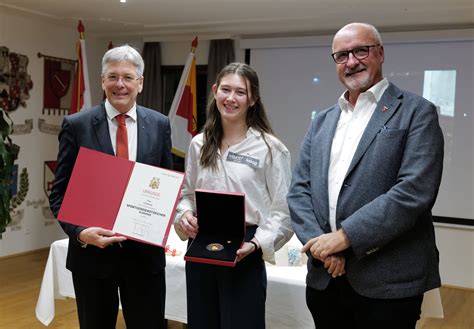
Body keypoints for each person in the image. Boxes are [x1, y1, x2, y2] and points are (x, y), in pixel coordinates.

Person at [287, 23, 444, 329]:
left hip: (387, 284)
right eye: (342, 55)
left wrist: (343, 239)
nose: (351, 61)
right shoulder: (322, 122)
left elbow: (413, 192)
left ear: (380, 53)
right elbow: (299, 192)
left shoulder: (416, 112)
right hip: (325, 280)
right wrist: (322, 248)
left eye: (361, 50)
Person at [49, 45, 173, 329]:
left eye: (128, 77)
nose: (120, 84)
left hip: (145, 260)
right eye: (113, 77)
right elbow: (59, 195)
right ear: (102, 81)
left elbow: (166, 187)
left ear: (140, 83)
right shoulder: (76, 126)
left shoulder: (159, 125)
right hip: (92, 259)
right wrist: (80, 233)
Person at [174, 62, 293, 329]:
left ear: (252, 99)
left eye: (240, 92)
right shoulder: (198, 144)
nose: (231, 98)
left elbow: (282, 212)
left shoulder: (270, 148)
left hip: (245, 249)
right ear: (215, 91)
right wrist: (184, 215)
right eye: (225, 90)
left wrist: (256, 244)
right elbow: (186, 195)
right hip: (201, 247)